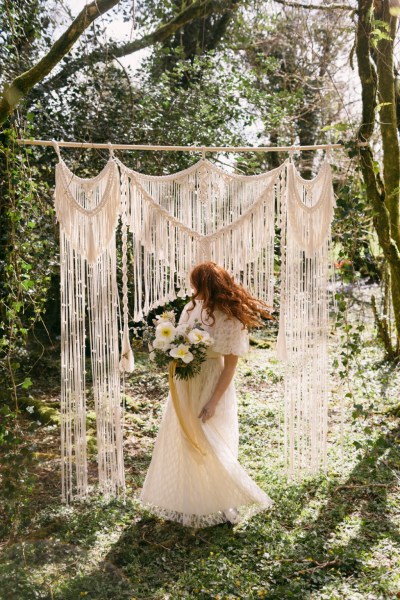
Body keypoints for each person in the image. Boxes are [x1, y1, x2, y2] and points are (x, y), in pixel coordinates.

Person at [139, 261, 275, 528]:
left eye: (196, 285)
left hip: (212, 380)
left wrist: (214, 401)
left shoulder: (229, 316)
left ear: (208, 285)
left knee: (213, 439)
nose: (193, 290)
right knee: (185, 437)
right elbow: (179, 337)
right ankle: (189, 500)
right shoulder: (191, 307)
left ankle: (224, 500)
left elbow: (231, 365)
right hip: (185, 380)